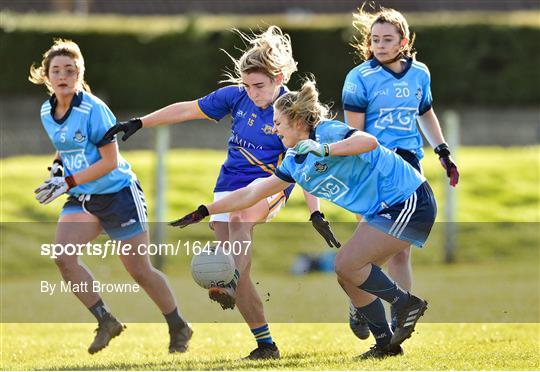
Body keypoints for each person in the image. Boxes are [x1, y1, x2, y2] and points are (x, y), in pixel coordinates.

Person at [102, 26, 339, 360]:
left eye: (259, 85)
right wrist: (139, 122)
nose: (253, 92)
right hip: (228, 185)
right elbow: (186, 110)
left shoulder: (292, 107)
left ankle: (229, 282)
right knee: (236, 269)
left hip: (271, 186)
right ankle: (266, 344)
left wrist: (314, 211)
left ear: (279, 77)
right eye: (247, 85)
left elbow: (307, 161)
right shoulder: (235, 96)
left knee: (238, 233)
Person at [169, 78, 437, 359]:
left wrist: (325, 149)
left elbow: (367, 141)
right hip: (384, 208)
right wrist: (205, 210)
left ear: (298, 121)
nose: (274, 128)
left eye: (278, 122)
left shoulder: (326, 131)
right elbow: (252, 192)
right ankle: (386, 345)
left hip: (408, 199)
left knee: (348, 264)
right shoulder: (294, 160)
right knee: (347, 276)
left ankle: (406, 303)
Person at [29, 39, 193, 354]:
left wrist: (68, 182)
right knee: (63, 257)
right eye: (57, 70)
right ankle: (105, 320)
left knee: (140, 271)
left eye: (70, 69)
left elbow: (110, 162)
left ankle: (178, 325)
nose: (63, 75)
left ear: (79, 74)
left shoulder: (93, 109)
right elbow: (65, 148)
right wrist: (55, 171)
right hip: (83, 197)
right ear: (46, 76)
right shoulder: (46, 111)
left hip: (118, 194)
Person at [342, 5, 459, 340]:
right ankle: (360, 303)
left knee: (400, 249)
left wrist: (442, 150)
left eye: (387, 39)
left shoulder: (420, 73)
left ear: (403, 41)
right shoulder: (359, 78)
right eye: (374, 39)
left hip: (408, 163)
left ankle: (399, 322)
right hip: (375, 164)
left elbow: (426, 113)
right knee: (368, 241)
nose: (379, 44)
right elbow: (355, 135)